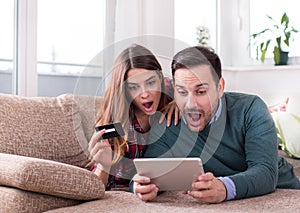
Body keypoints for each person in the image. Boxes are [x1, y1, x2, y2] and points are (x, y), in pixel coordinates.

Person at [133, 46, 300, 203]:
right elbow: (147, 173)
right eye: (182, 92)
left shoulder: (251, 109)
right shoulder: (167, 122)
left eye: (201, 92)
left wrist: (224, 188)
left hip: (282, 193)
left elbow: (266, 173)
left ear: (220, 87)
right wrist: (141, 187)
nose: (190, 104)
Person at [86, 44, 178, 191]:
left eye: (150, 82)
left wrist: (179, 101)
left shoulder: (168, 89)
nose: (145, 93)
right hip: (122, 191)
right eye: (134, 87)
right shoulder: (114, 121)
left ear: (160, 78)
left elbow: (190, 86)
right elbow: (93, 187)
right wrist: (104, 166)